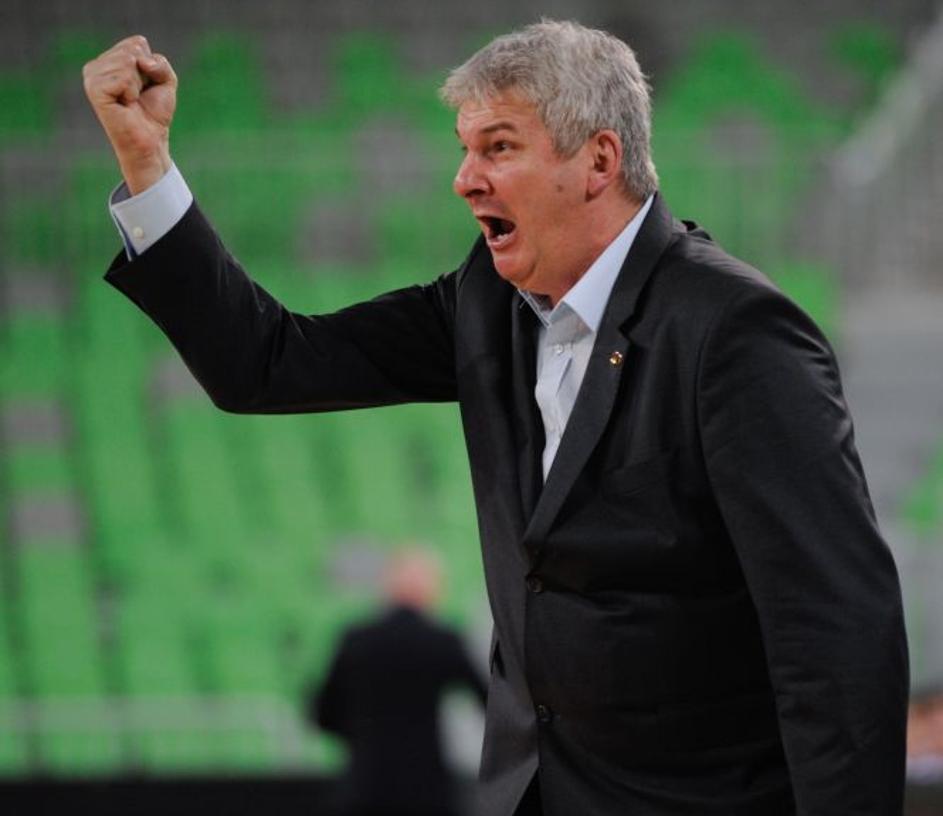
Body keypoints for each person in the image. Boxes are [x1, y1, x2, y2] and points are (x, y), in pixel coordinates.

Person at [82, 20, 909, 816]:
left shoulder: (733, 331)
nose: (465, 178)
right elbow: (266, 362)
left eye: (498, 147)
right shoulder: (487, 303)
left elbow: (836, 629)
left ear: (598, 160)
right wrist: (147, 165)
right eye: (464, 148)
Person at [308, 550, 487, 816]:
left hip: (364, 788)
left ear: (387, 587)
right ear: (431, 590)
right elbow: (490, 704)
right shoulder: (442, 642)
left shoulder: (355, 641)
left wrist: (365, 737)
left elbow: (322, 715)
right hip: (426, 792)